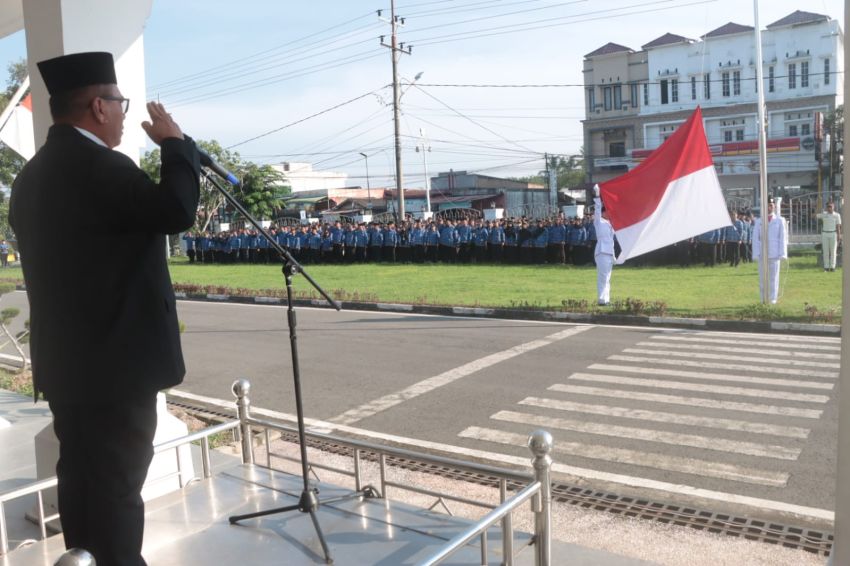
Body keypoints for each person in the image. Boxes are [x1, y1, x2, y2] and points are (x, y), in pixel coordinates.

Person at [9, 52, 200, 565]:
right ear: (98, 106)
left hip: (70, 365)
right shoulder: (103, 167)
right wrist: (176, 147)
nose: (123, 113)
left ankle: (84, 560)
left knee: (81, 477)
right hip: (117, 367)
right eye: (120, 103)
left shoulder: (30, 178)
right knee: (116, 486)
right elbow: (176, 211)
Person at [751, 199, 787, 304]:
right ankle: (763, 298)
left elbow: (782, 237)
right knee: (762, 278)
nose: (769, 207)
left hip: (775, 253)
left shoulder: (780, 220)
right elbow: (755, 238)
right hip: (763, 253)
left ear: (774, 206)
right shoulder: (759, 221)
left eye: (771, 205)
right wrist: (755, 254)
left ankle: (772, 299)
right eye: (767, 205)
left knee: (774, 278)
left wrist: (783, 253)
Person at [593, 189, 615, 305]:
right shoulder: (599, 222)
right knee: (603, 277)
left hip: (610, 253)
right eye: (606, 211)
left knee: (608, 278)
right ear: (602, 213)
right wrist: (597, 196)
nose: (608, 213)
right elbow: (597, 210)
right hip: (601, 251)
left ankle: (606, 299)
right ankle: (601, 299)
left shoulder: (610, 224)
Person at [817, 201, 842, 272]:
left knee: (833, 251)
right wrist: (818, 205)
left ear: (833, 207)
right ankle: (826, 267)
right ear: (826, 207)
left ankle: (833, 267)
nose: (829, 208)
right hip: (825, 234)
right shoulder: (824, 214)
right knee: (826, 251)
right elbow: (815, 215)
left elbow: (838, 226)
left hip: (833, 233)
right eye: (828, 207)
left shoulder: (837, 215)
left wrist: (839, 235)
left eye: (831, 206)